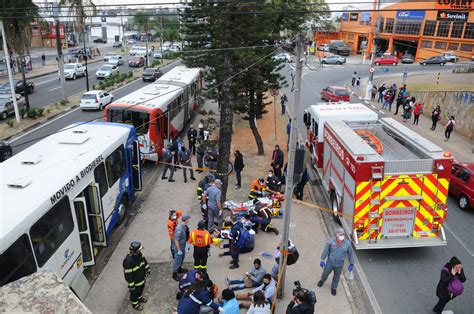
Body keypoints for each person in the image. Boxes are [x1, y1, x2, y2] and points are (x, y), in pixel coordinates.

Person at [318, 227, 354, 296]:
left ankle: (334, 288)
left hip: (339, 264)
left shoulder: (347, 243)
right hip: (330, 263)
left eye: (343, 234)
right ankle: (322, 281)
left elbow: (350, 253)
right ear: (336, 234)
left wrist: (351, 264)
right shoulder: (331, 242)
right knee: (325, 273)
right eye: (340, 234)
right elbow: (326, 251)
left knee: (337, 276)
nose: (342, 236)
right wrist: (322, 260)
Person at [123, 241, 150, 311]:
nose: (140, 251)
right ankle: (135, 304)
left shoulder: (139, 255)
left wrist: (147, 269)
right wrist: (131, 286)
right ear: (135, 250)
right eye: (139, 249)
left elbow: (144, 262)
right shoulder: (128, 262)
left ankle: (139, 298)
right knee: (134, 293)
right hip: (135, 282)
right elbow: (128, 275)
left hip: (141, 278)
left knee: (141, 289)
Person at [172, 214, 191, 281]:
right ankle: (174, 273)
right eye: (188, 219)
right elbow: (176, 240)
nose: (189, 220)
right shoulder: (179, 228)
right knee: (177, 260)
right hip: (178, 247)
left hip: (183, 245)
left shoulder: (184, 226)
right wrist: (179, 250)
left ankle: (179, 269)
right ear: (185, 220)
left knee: (182, 258)